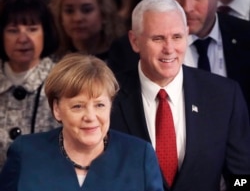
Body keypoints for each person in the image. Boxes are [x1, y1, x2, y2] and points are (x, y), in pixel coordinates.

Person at [110, 0, 250, 190]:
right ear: (135, 41)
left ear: (186, 34)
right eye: (158, 38)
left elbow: (241, 178)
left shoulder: (224, 96)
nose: (169, 49)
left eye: (177, 37)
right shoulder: (108, 96)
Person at [0, 53, 164, 191]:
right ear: (57, 108)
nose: (90, 116)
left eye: (99, 105)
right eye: (78, 106)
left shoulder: (139, 155)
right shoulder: (26, 153)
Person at [0, 0, 59, 170]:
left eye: (32, 29)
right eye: (13, 31)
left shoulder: (63, 82)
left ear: (45, 33)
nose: (23, 39)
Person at [48, 0, 126, 62]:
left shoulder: (124, 57)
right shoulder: (54, 61)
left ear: (104, 14)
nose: (77, 18)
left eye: (87, 10)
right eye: (69, 11)